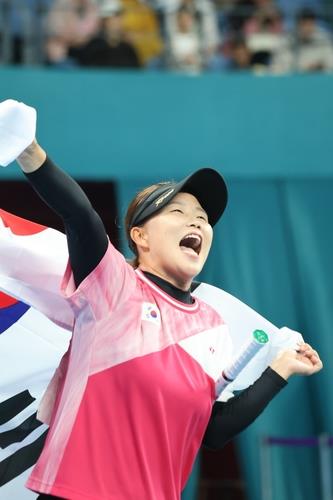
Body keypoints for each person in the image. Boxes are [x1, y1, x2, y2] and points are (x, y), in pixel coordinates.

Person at [1, 100, 323, 500]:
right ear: (140, 236)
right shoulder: (114, 287)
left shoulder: (212, 326)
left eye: (204, 218)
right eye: (179, 211)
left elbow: (212, 430)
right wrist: (29, 150)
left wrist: (281, 369)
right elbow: (80, 216)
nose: (197, 221)